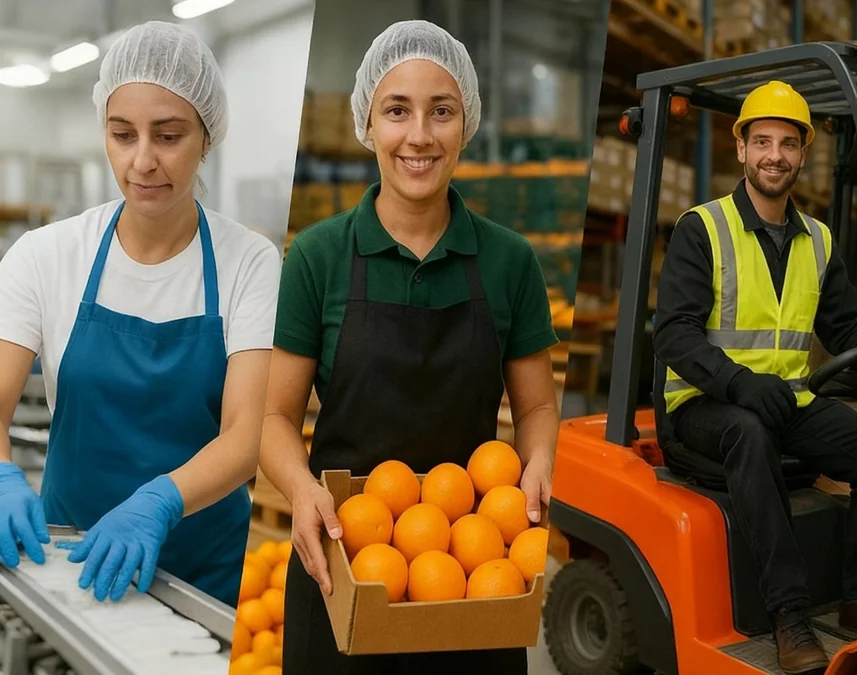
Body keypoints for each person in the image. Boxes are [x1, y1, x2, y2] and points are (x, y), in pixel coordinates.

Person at [263, 20, 559, 673]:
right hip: (343, 563)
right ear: (368, 124)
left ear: (466, 123)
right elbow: (274, 414)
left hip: (474, 574)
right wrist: (301, 490)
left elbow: (537, 406)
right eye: (397, 110)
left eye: (441, 111)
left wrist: (539, 460)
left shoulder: (509, 261)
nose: (420, 135)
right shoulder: (317, 257)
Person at [0, 21, 279, 609]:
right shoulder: (46, 255)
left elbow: (247, 431)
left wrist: (160, 501)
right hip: (70, 564)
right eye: (122, 134)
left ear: (206, 137)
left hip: (207, 582)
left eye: (169, 136)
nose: (143, 160)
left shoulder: (249, 262)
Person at [653, 80, 857, 675]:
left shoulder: (818, 240)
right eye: (762, 141)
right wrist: (739, 382)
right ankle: (788, 615)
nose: (774, 155)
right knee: (750, 433)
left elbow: (845, 325)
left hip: (786, 402)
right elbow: (674, 334)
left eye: (788, 144)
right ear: (741, 148)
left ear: (803, 153)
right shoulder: (702, 228)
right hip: (705, 408)